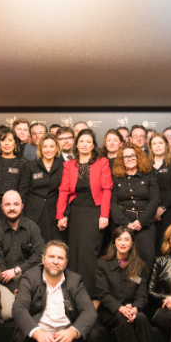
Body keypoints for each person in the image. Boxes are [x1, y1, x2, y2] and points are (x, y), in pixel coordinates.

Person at [12, 240, 98, 342]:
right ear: (43, 259)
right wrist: (37, 333)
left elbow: (89, 311)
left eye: (60, 258)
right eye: (51, 257)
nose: (55, 261)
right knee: (21, 338)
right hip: (39, 339)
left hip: (66, 339)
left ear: (65, 263)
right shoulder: (30, 277)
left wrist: (72, 332)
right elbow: (19, 308)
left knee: (91, 334)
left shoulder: (75, 280)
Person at [96, 227, 154, 342]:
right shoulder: (103, 264)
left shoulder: (140, 266)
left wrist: (135, 308)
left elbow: (142, 295)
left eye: (127, 239)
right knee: (122, 320)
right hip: (110, 311)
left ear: (132, 243)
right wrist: (120, 308)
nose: (122, 243)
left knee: (142, 318)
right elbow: (103, 294)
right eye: (119, 239)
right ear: (114, 242)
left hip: (132, 309)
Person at [57, 129, 112, 301]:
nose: (85, 144)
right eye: (81, 141)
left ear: (93, 145)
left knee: (88, 253)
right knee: (73, 253)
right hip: (75, 213)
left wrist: (104, 215)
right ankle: (72, 293)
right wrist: (60, 215)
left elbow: (107, 189)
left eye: (88, 141)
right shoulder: (69, 165)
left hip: (95, 212)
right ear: (77, 144)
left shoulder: (102, 162)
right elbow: (64, 191)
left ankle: (90, 294)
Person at [0, 190, 45, 321]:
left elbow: (39, 255)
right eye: (7, 204)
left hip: (29, 276)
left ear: (21, 206)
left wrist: (17, 270)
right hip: (5, 280)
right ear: (2, 207)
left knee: (39, 309)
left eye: (16, 204)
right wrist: (15, 289)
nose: (12, 208)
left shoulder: (32, 228)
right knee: (8, 314)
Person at [110, 142, 159, 270]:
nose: (130, 159)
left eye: (133, 155)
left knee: (147, 258)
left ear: (138, 157)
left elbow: (154, 200)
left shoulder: (148, 176)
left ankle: (143, 284)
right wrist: (126, 224)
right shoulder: (116, 178)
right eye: (126, 156)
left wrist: (141, 222)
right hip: (122, 224)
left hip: (145, 223)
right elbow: (112, 203)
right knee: (123, 260)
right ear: (121, 160)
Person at [18, 134, 65, 243]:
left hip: (54, 215)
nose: (48, 150)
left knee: (54, 245)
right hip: (32, 214)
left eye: (51, 146)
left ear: (56, 149)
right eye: (45, 146)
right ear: (40, 149)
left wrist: (64, 216)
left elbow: (65, 193)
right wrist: (21, 216)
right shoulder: (30, 166)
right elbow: (22, 193)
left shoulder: (63, 167)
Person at [148, 133, 171, 255]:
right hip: (149, 211)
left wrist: (161, 209)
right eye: (154, 143)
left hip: (168, 210)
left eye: (160, 143)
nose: (158, 146)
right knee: (150, 247)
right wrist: (153, 210)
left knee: (167, 246)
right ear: (150, 147)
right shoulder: (145, 164)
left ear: (166, 145)